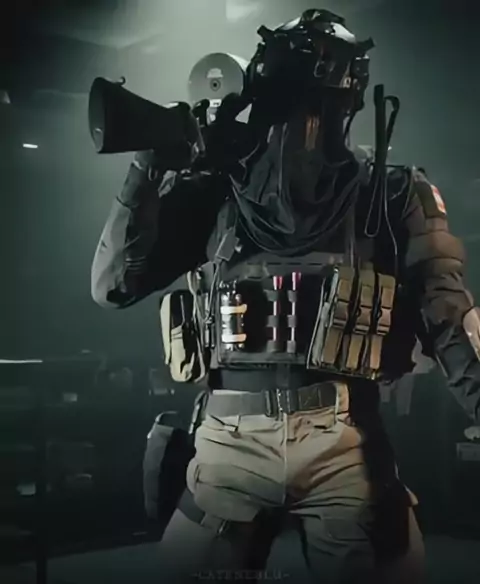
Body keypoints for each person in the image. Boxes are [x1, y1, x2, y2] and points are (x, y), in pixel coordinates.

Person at [91, 8, 480, 583]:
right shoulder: (216, 188)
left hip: (340, 444)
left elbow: (449, 316)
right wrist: (149, 165)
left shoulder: (393, 191)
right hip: (235, 440)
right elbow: (113, 285)